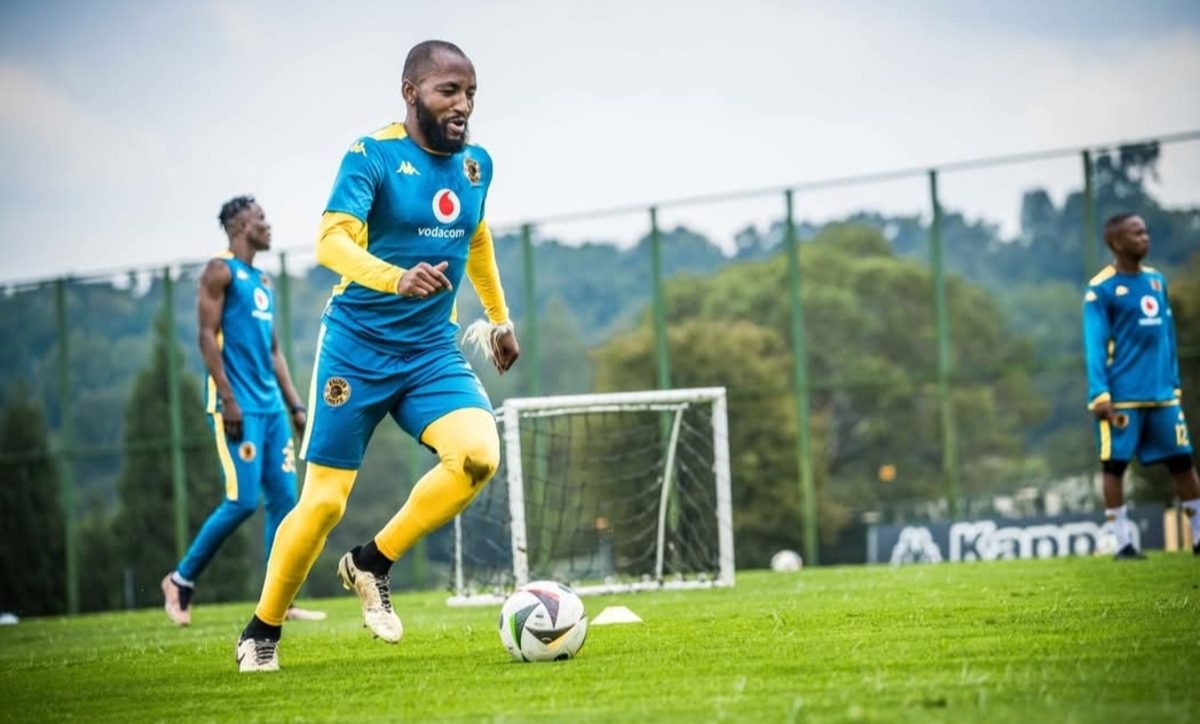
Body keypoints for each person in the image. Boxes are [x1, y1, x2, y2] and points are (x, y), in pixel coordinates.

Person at [235, 40, 519, 673]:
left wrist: (498, 319)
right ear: (410, 92)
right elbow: (330, 242)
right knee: (324, 504)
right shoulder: (372, 156)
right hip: (357, 350)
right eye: (449, 91)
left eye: (470, 93)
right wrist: (394, 277)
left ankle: (371, 563)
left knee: (477, 455)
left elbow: (475, 235)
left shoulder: (476, 166)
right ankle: (262, 629)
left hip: (430, 352)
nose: (463, 105)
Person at [162, 196, 325, 625]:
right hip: (237, 408)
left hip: (272, 409)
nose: (268, 226)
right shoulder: (220, 272)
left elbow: (273, 352)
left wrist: (295, 405)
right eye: (261, 219)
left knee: (285, 504)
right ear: (239, 226)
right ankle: (180, 581)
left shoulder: (264, 282)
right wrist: (229, 398)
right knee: (241, 500)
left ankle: (279, 600)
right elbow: (204, 336)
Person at [1083, 212, 1199, 560]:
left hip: (1163, 396)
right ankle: (1121, 543)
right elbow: (1094, 344)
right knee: (1114, 467)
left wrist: (1174, 384)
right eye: (1137, 233)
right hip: (1123, 399)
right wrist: (1099, 394)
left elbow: (1167, 340)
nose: (1145, 238)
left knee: (1183, 463)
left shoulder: (1156, 282)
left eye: (1146, 232)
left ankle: (1198, 537)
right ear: (1116, 242)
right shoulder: (1101, 289)